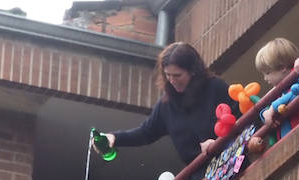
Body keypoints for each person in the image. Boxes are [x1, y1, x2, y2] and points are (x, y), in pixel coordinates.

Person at [96, 42, 239, 165]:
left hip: (230, 160)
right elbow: (145, 132)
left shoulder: (215, 87)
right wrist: (115, 137)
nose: (172, 80)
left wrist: (219, 142)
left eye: (177, 75)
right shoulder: (166, 106)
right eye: (167, 75)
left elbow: (240, 115)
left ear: (193, 71)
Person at [255, 37, 299, 130]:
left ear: (283, 67)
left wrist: (273, 108)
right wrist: (264, 114)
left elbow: (296, 93)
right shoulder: (279, 90)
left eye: (267, 73)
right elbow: (268, 107)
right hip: (295, 137)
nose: (265, 78)